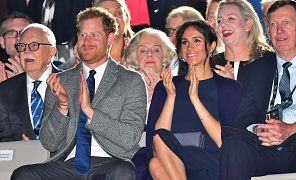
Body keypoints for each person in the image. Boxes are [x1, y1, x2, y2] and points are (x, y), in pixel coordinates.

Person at [11, 7, 147, 180]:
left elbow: (130, 138)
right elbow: (49, 142)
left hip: (112, 161)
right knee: (23, 175)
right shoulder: (60, 81)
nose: (86, 41)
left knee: (122, 172)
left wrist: (90, 112)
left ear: (110, 38)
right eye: (83, 35)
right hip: (68, 164)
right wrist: (62, 107)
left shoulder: (131, 80)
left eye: (94, 35)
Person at [219, 1, 296, 179]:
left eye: (286, 23)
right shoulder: (255, 70)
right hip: (264, 146)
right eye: (273, 24)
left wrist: (294, 128)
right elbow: (243, 117)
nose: (279, 31)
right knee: (234, 145)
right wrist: (258, 129)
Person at [147, 20, 242, 180]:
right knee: (155, 162)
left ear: (211, 46)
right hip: (174, 159)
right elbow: (156, 140)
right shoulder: (166, 86)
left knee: (156, 166)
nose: (190, 47)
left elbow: (225, 142)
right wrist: (171, 96)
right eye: (185, 42)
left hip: (210, 158)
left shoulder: (228, 87)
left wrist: (195, 100)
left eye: (197, 41)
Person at [0, 23, 58, 142]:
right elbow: (4, 138)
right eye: (22, 46)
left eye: (34, 45)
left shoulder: (72, 83)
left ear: (52, 52)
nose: (26, 51)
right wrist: (19, 147)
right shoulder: (5, 90)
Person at [211, 0, 273, 81]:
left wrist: (232, 85)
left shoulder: (270, 61)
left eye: (231, 18)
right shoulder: (211, 65)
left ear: (248, 24)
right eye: (219, 21)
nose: (222, 25)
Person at [123, 28, 176, 104]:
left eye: (156, 50)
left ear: (165, 56)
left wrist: (161, 95)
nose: (149, 54)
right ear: (135, 58)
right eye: (143, 50)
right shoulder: (124, 89)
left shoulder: (176, 87)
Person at [166, 6, 205, 76]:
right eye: (170, 31)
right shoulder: (165, 61)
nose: (174, 36)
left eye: (179, 30)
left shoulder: (212, 64)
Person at [0, 11, 32, 82]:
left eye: (24, 32)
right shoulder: (2, 75)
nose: (18, 37)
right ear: (2, 42)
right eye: (11, 33)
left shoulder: (48, 72)